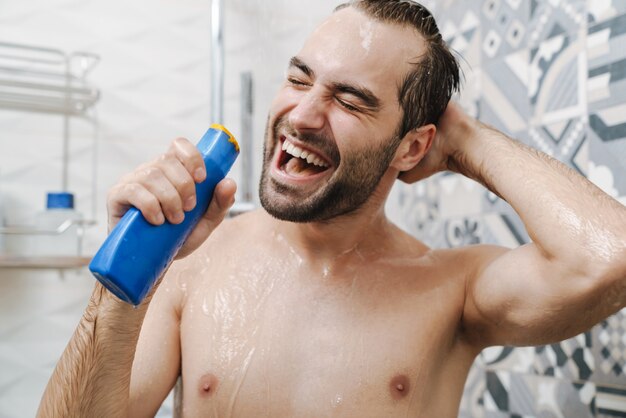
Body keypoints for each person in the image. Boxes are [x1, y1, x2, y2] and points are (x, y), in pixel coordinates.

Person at [38, 1, 626, 417]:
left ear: (414, 145)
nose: (301, 115)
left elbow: (607, 258)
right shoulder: (191, 262)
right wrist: (124, 280)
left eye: (350, 100)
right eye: (299, 78)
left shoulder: (450, 291)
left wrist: (466, 139)